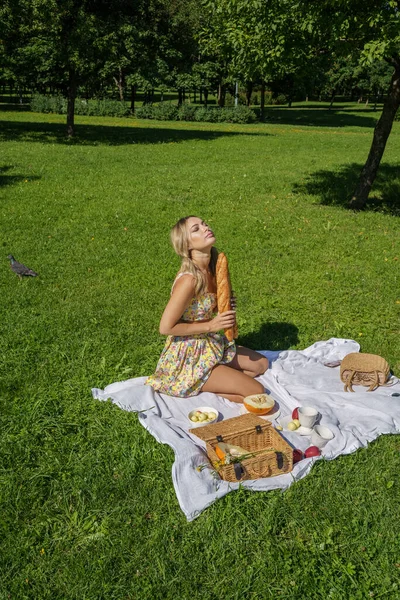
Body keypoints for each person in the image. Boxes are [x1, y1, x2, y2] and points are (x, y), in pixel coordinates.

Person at [146, 216, 269, 403]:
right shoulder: (190, 280)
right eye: (196, 229)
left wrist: (223, 304)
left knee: (260, 365)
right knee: (256, 391)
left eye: (204, 224)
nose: (205, 228)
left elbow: (201, 308)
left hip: (209, 343)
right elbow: (165, 327)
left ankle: (214, 375)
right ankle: (195, 383)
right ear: (186, 244)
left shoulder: (215, 267)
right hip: (188, 353)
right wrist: (212, 325)